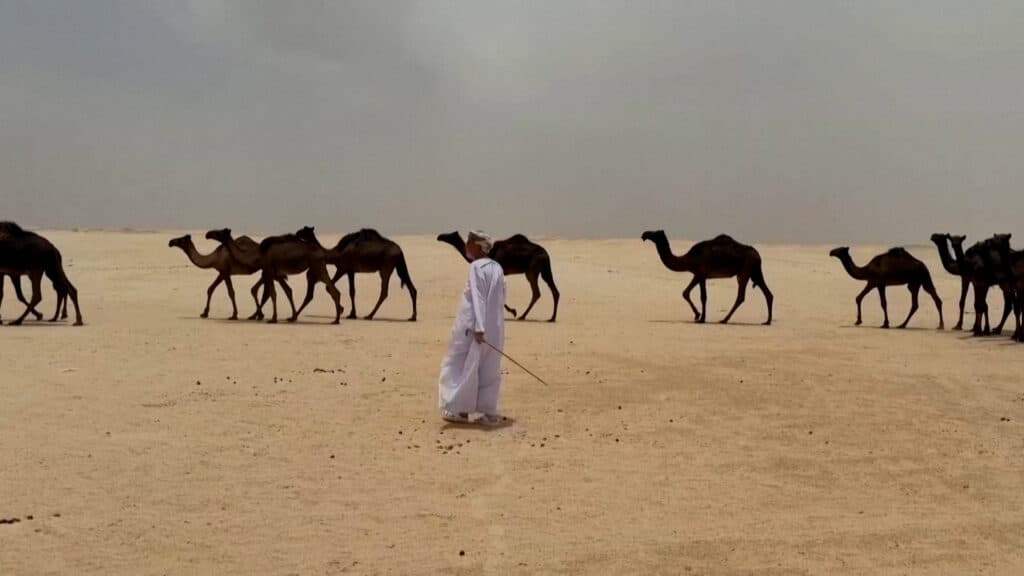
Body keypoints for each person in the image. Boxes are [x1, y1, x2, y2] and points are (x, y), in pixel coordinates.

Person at [438, 230, 507, 426]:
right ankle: (489, 413)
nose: (466, 245)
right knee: (489, 370)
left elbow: (478, 297)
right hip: (495, 328)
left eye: (469, 242)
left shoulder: (476, 266)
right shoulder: (497, 267)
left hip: (473, 328)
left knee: (460, 365)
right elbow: (502, 297)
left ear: (477, 246)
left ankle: (460, 411)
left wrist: (479, 326)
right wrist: (490, 325)